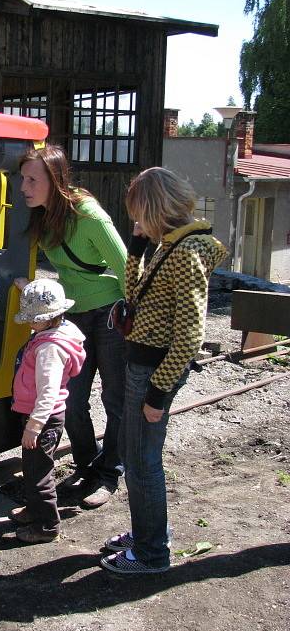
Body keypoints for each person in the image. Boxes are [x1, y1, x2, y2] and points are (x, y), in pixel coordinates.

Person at [101, 167, 227, 575]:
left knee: (141, 462)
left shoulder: (187, 253)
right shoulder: (168, 246)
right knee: (133, 455)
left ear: (154, 209)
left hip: (154, 370)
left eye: (138, 214)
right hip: (144, 362)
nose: (136, 221)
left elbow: (191, 335)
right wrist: (136, 251)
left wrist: (157, 395)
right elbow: (134, 295)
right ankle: (147, 534)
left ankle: (152, 553)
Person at [18, 144, 127, 508]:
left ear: (55, 179)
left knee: (115, 398)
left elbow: (128, 270)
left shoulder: (90, 217)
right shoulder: (42, 215)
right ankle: (85, 465)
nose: (24, 187)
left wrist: (138, 324)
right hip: (72, 315)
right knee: (74, 399)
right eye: (23, 178)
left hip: (109, 314)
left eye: (32, 179)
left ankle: (109, 474)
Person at [9, 278, 86, 544]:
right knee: (32, 468)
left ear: (50, 317)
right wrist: (26, 286)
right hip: (42, 417)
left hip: (42, 418)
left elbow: (48, 393)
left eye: (33, 319)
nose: (29, 323)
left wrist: (34, 425)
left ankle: (47, 526)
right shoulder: (60, 330)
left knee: (39, 472)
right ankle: (34, 510)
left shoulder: (50, 350)